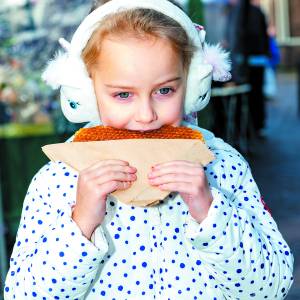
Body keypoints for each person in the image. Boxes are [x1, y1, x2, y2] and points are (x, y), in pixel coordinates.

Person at [4, 0, 293, 299]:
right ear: (85, 92)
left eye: (165, 90)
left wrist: (210, 211)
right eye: (123, 94)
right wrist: (81, 222)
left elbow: (270, 289)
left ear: (194, 86)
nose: (146, 115)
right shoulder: (58, 180)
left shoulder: (223, 166)